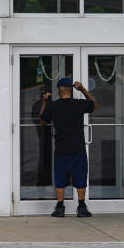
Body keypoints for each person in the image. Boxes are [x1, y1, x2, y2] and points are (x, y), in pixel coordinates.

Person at [38, 76, 98, 218]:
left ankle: (60, 207)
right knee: (80, 177)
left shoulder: (53, 106)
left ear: (59, 90)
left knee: (60, 177)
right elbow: (94, 105)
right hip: (78, 148)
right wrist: (83, 89)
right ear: (71, 90)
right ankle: (81, 207)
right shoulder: (78, 104)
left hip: (61, 149)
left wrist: (44, 102)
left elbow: (42, 121)